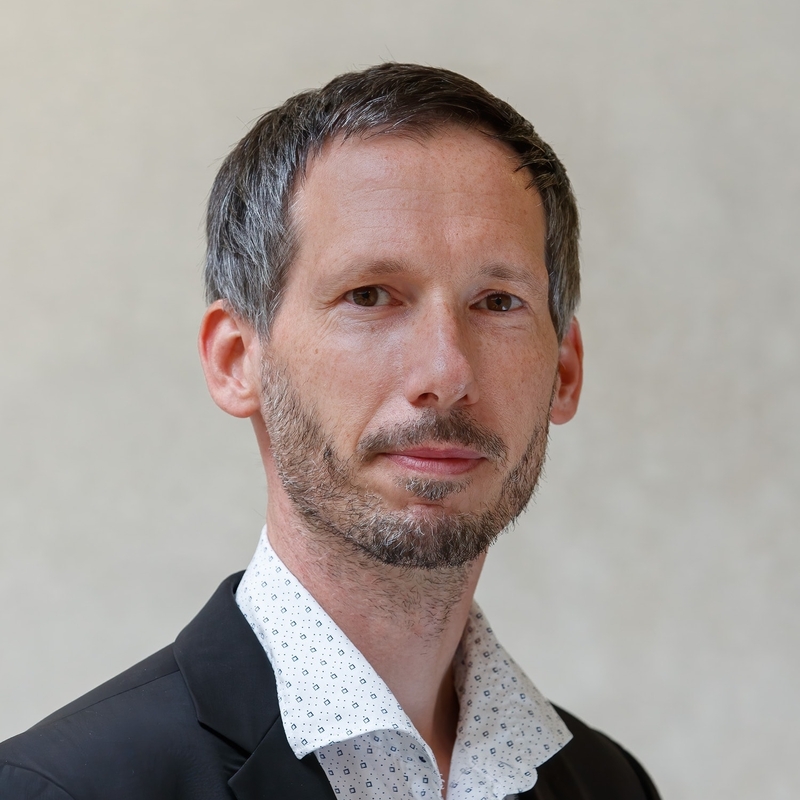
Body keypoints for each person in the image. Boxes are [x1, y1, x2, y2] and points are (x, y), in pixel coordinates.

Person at [0, 63, 660, 799]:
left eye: (498, 302)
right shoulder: (56, 789)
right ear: (236, 361)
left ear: (564, 371)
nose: (447, 371)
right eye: (370, 295)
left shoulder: (612, 785)